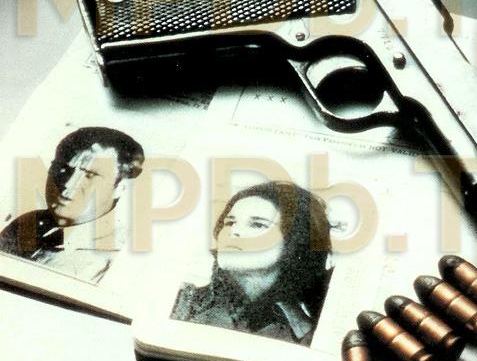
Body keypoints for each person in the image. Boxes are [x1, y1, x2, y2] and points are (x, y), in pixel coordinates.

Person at [171, 181, 333, 345]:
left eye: (257, 224)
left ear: (296, 242)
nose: (234, 231)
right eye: (230, 222)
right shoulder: (180, 303)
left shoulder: (310, 336)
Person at [0, 126, 144, 284]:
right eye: (64, 169)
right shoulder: (28, 223)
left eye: (90, 175)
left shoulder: (119, 259)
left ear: (120, 187)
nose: (69, 184)